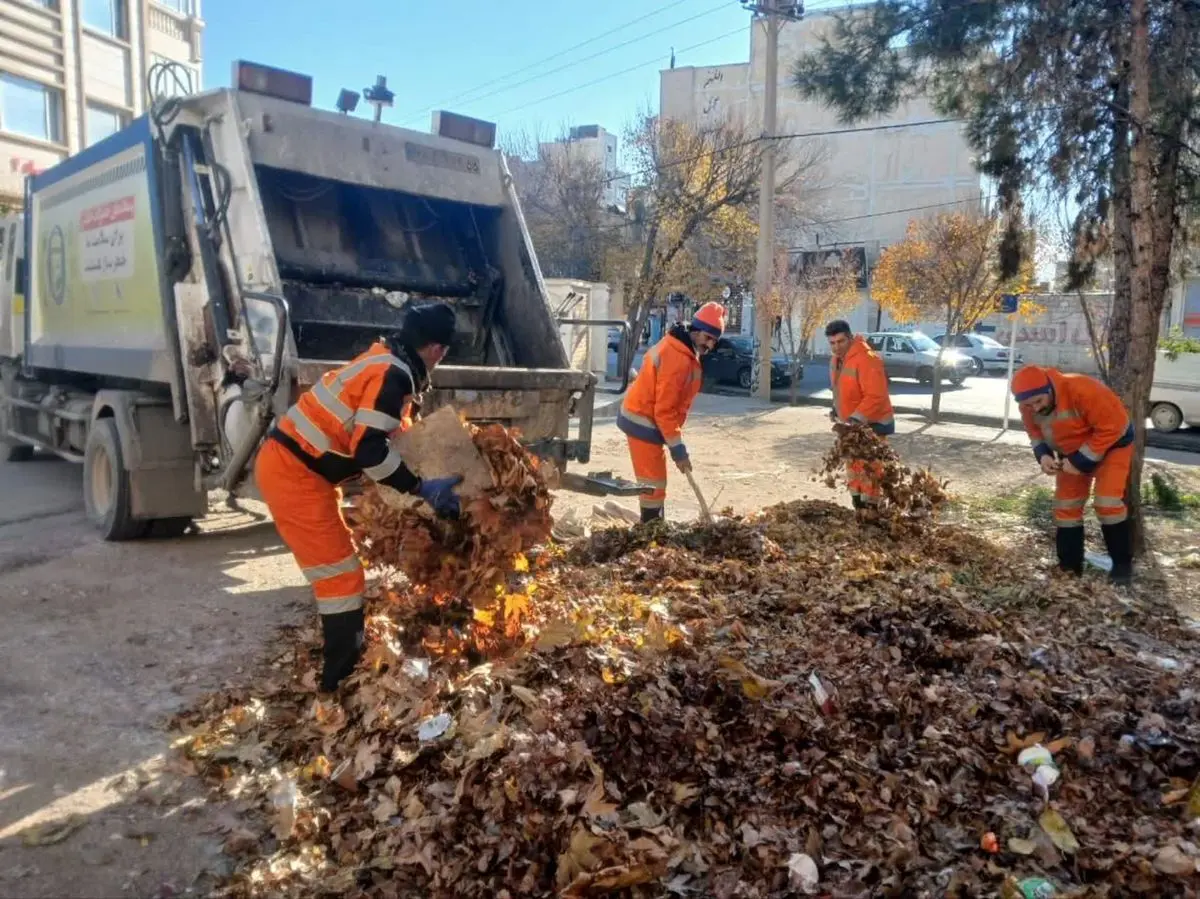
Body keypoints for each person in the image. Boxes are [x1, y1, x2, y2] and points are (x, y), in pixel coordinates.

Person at [255, 302, 465, 692]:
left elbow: (391, 437)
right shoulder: (394, 375)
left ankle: (344, 664)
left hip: (302, 469)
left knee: (342, 570)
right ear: (437, 350)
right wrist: (420, 488)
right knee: (342, 577)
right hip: (293, 474)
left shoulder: (384, 359)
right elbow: (369, 450)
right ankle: (339, 681)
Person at [1011, 364, 1134, 586]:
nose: (1035, 408)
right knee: (1066, 507)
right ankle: (1070, 568)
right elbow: (1035, 432)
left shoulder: (1081, 388)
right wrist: (1044, 456)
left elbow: (1114, 427)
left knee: (1107, 503)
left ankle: (1122, 569)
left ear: (1049, 388)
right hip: (1071, 453)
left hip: (1113, 446)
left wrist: (1081, 461)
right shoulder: (1027, 406)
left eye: (1039, 401)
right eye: (1028, 405)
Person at [617, 302, 725, 521]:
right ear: (695, 330)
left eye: (714, 340)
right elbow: (664, 410)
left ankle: (655, 526)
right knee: (653, 484)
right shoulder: (677, 357)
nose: (710, 345)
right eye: (707, 337)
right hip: (642, 422)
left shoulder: (682, 349)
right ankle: (651, 533)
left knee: (655, 482)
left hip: (648, 421)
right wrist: (678, 449)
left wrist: (674, 443)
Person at [825, 320, 894, 509]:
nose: (836, 347)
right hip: (852, 425)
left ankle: (871, 512)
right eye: (832, 343)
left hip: (873, 424)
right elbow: (841, 390)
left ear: (850, 337)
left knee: (869, 471)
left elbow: (876, 396)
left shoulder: (867, 359)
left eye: (840, 342)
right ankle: (858, 509)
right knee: (854, 469)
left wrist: (855, 419)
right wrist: (836, 410)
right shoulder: (836, 360)